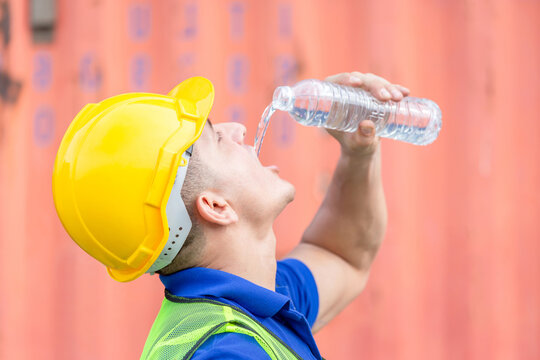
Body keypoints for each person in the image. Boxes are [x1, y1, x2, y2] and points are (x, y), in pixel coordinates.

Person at [52, 71, 410, 359]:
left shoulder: (247, 304)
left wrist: (358, 152)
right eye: (217, 139)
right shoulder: (227, 351)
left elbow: (344, 257)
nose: (237, 130)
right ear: (216, 206)